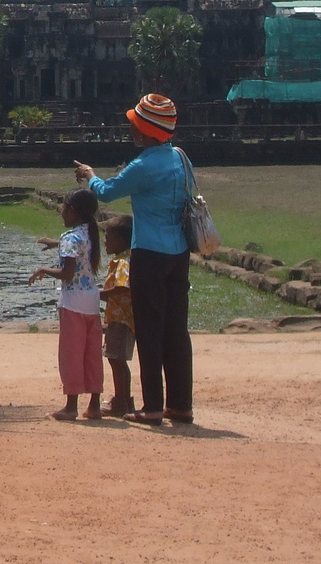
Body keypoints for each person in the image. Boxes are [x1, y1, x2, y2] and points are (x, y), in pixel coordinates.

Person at [74, 93, 193, 425]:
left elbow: (107, 191)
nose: (130, 130)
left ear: (145, 130)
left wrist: (90, 174)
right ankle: (181, 404)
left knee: (150, 330)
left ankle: (153, 406)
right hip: (179, 250)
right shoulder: (180, 159)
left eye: (134, 125)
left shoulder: (143, 166)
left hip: (150, 252)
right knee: (176, 329)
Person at [29, 188, 103, 421]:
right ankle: (95, 404)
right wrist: (56, 243)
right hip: (91, 301)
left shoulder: (71, 238)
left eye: (63, 208)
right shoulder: (90, 233)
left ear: (72, 210)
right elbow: (77, 251)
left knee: (72, 353)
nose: (61, 212)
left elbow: (67, 273)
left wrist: (43, 270)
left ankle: (71, 406)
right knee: (92, 354)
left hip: (73, 303)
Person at [100, 214, 136, 417]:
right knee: (118, 360)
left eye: (108, 236)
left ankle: (121, 401)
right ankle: (125, 400)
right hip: (122, 318)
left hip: (120, 319)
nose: (105, 240)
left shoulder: (122, 263)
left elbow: (122, 287)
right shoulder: (125, 259)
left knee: (115, 359)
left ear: (120, 240)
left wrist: (100, 294)